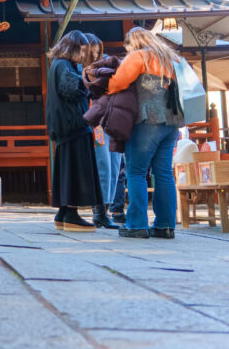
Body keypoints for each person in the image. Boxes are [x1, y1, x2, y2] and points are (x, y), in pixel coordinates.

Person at [106, 27, 185, 239]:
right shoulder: (172, 58)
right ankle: (165, 226)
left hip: (147, 119)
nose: (127, 50)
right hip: (172, 122)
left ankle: (137, 224)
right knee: (164, 173)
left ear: (134, 42)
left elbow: (116, 84)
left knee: (136, 172)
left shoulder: (139, 56)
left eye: (128, 46)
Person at [45, 30, 102, 232]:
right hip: (74, 124)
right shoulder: (64, 65)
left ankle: (63, 211)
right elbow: (71, 90)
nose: (83, 55)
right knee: (76, 169)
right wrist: (88, 82)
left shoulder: (56, 65)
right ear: (73, 48)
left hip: (65, 126)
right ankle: (71, 212)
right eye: (82, 50)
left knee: (68, 168)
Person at [82, 33, 123, 230]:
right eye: (93, 49)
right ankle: (99, 211)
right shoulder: (80, 69)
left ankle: (106, 209)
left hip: (113, 118)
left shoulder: (108, 65)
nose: (97, 52)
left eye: (98, 48)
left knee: (115, 165)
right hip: (96, 122)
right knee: (103, 165)